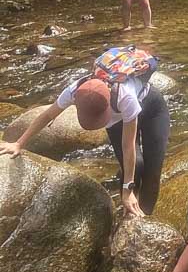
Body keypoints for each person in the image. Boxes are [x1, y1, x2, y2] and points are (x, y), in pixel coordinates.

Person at [0, 59, 170, 216]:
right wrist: (19, 143)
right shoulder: (74, 91)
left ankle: (144, 215)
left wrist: (127, 190)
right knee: (135, 165)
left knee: (152, 172)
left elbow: (128, 146)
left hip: (153, 111)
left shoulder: (125, 96)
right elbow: (47, 115)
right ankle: (129, 211)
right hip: (118, 121)